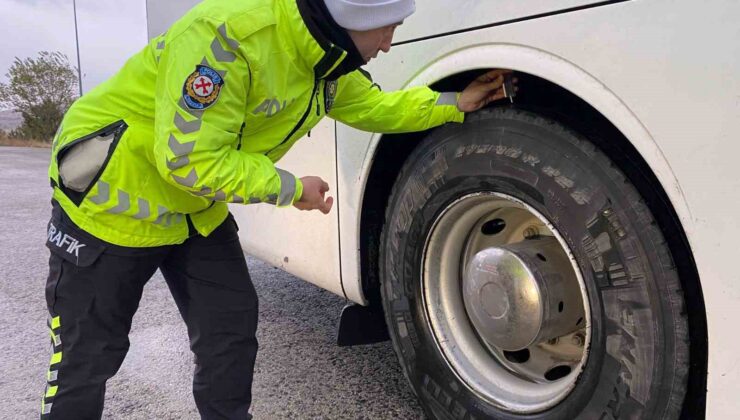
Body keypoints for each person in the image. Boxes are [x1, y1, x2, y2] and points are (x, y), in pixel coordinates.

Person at [40, 0, 513, 418]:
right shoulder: (226, 37)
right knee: (86, 357)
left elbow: (378, 108)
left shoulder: (324, 62)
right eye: (385, 27)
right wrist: (290, 188)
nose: (390, 43)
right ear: (345, 16)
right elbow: (186, 160)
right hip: (111, 206)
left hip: (193, 212)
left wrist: (455, 102)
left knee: (230, 335)